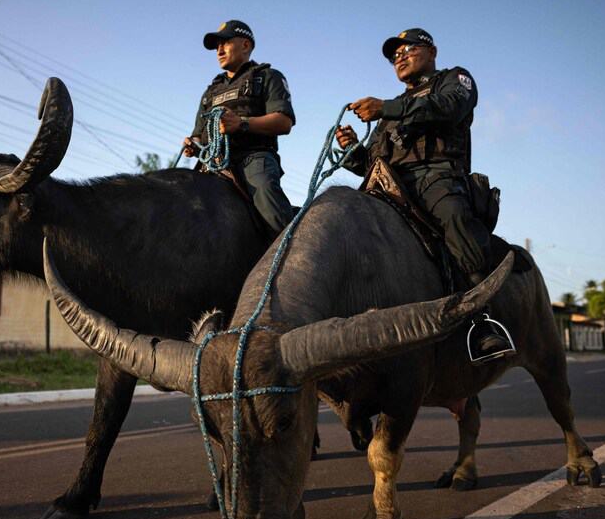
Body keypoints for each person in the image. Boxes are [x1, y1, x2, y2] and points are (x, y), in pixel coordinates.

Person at [336, 28, 512, 360]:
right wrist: (351, 150)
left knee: (452, 215)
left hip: (437, 176)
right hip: (389, 187)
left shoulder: (455, 79)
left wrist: (386, 108)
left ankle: (482, 319)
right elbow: (370, 165)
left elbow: (449, 108)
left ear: (431, 51)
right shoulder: (392, 110)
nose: (399, 57)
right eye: (394, 56)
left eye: (407, 49)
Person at [183, 20, 296, 236]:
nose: (219, 50)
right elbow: (198, 134)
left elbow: (284, 122)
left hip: (253, 158)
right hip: (212, 163)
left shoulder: (268, 76)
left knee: (264, 191)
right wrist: (192, 144)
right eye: (216, 46)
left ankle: (290, 253)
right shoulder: (210, 91)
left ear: (245, 45)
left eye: (225, 43)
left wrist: (242, 123)